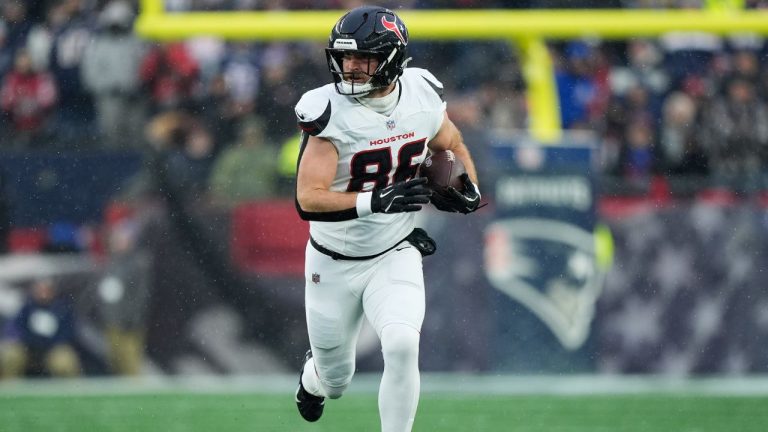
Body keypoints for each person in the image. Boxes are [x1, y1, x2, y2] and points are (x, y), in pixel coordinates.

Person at [292, 6, 481, 432]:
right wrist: (375, 201)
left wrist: (467, 185)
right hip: (332, 259)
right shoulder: (328, 110)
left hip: (394, 250)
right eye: (345, 58)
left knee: (400, 344)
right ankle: (314, 379)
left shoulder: (421, 95)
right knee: (336, 379)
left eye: (363, 58)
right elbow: (307, 198)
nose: (350, 68)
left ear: (392, 59)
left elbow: (450, 143)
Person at [0, 277, 81, 378]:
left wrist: (51, 343)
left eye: (47, 290)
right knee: (10, 355)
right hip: (28, 348)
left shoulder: (62, 309)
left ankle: (72, 391)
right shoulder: (27, 308)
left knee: (65, 359)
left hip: (53, 348)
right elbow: (18, 329)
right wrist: (28, 342)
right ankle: (9, 389)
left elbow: (68, 333)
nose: (43, 293)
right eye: (40, 290)